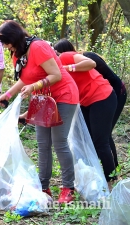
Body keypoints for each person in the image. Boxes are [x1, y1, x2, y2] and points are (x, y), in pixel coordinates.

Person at [0, 20, 79, 203]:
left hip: (63, 95)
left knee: (59, 142)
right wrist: (8, 95)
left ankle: (68, 188)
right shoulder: (17, 54)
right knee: (42, 143)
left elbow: (56, 74)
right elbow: (25, 79)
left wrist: (35, 85)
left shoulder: (38, 46)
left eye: (6, 42)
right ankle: (43, 187)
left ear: (14, 37)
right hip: (43, 99)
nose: (5, 46)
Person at [53, 38, 118, 190]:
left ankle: (112, 181)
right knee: (87, 140)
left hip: (102, 96)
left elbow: (91, 63)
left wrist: (67, 68)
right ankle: (93, 176)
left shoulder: (64, 57)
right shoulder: (52, 73)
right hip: (85, 101)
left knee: (101, 141)